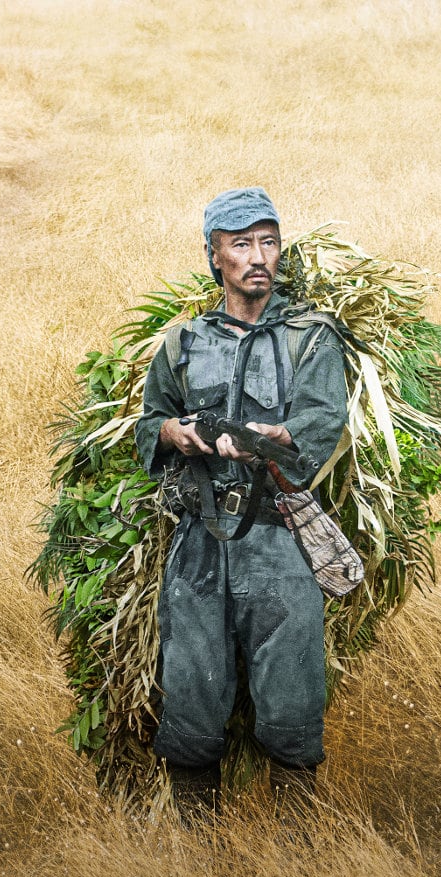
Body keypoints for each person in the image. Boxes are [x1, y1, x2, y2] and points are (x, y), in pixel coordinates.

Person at [134, 187, 351, 822]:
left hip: (281, 540)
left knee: (291, 701)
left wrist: (281, 443)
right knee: (192, 701)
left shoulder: (311, 340)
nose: (258, 257)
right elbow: (151, 422)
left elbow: (322, 425)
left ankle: (296, 858)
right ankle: (195, 858)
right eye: (241, 244)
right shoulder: (182, 343)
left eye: (268, 241)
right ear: (215, 257)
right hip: (200, 544)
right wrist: (176, 434)